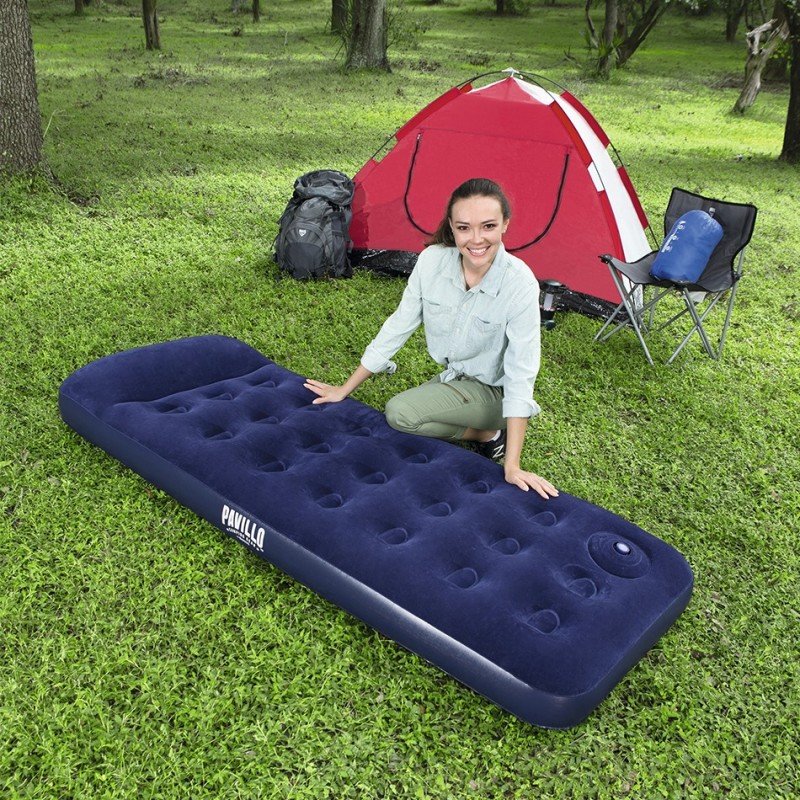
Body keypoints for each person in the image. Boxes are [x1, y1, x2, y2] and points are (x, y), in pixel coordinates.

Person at [304, 177, 558, 500]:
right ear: (451, 227)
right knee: (412, 415)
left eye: (488, 226)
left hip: (497, 393)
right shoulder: (432, 262)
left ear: (505, 224)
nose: (476, 239)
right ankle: (487, 434)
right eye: (464, 228)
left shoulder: (520, 283)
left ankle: (493, 433)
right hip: (455, 379)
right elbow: (399, 325)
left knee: (400, 412)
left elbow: (522, 373)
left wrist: (513, 466)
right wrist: (345, 388)